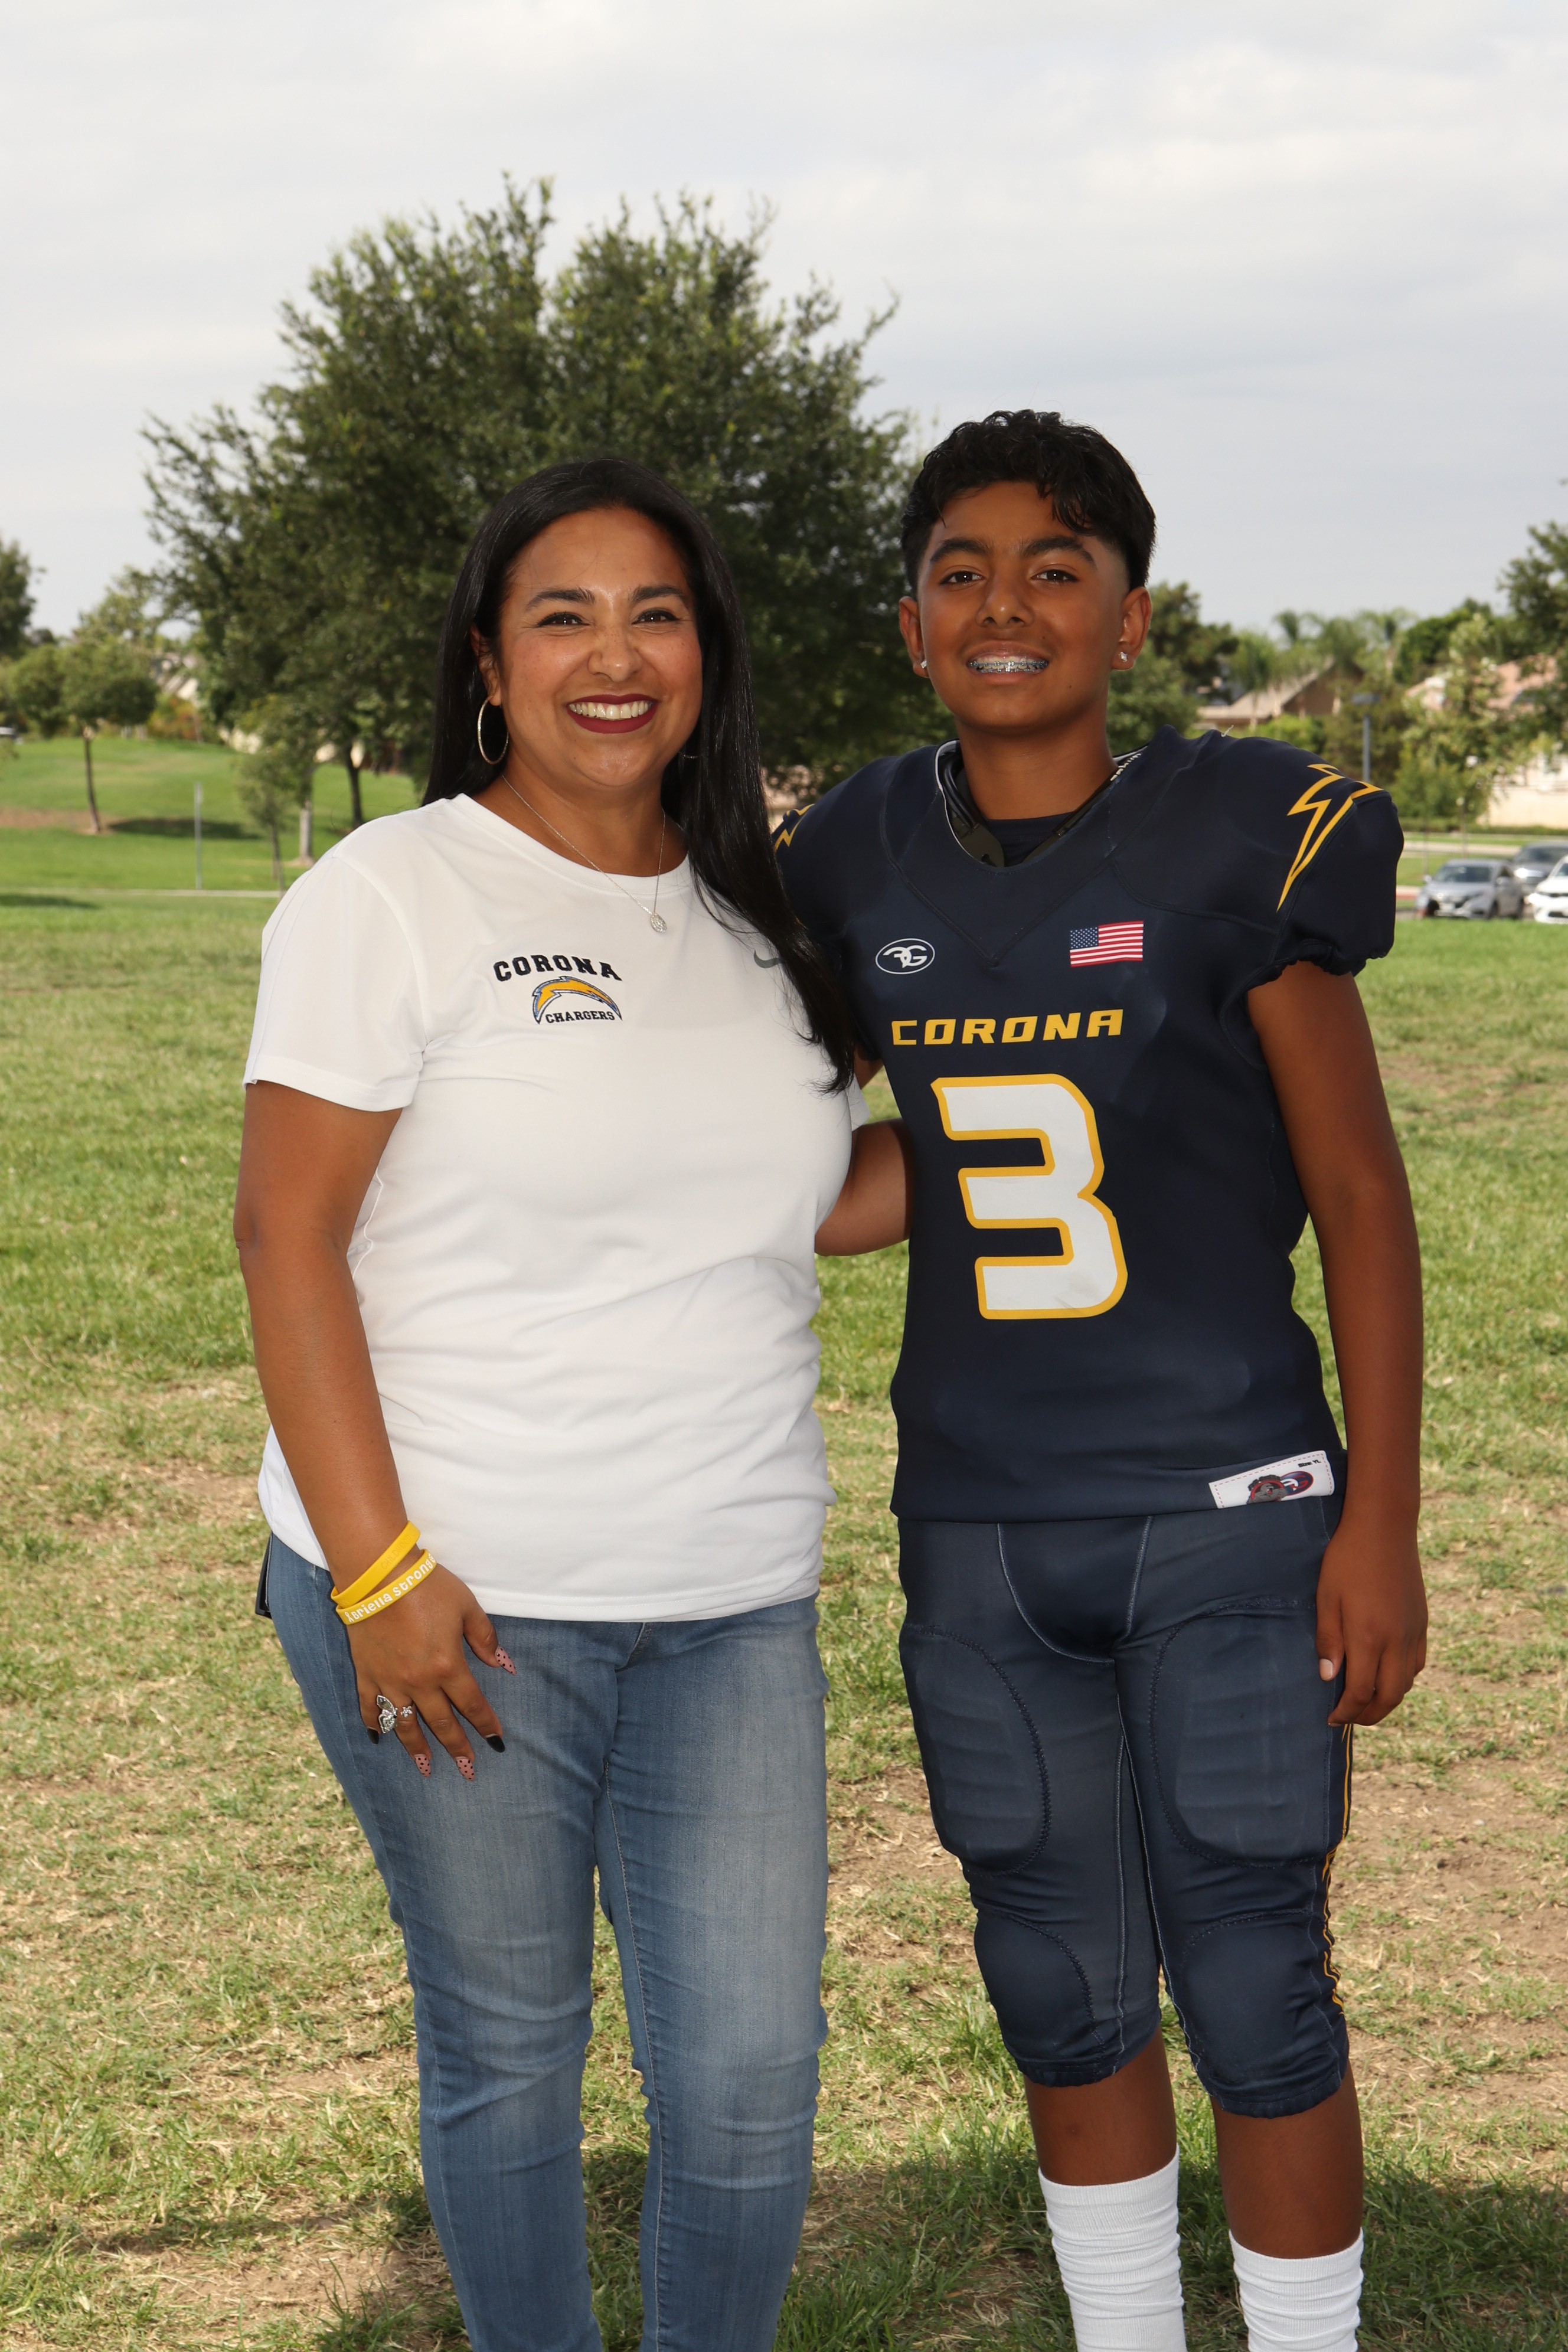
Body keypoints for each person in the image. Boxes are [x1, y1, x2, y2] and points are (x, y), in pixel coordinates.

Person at [234, 458, 909, 2352]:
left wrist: (1055, 1114)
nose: (615, 658)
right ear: (488, 661)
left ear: (709, 654)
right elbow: (287, 1236)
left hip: (731, 1597)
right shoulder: (394, 893)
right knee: (512, 2051)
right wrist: (378, 1574)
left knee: (753, 2077)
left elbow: (796, 1197)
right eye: (564, 616)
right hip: (456, 1595)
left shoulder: (761, 918)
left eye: (656, 615)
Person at [774, 411, 1427, 2352]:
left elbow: (1361, 1198)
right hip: (981, 1519)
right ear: (911, 623)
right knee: (1055, 1980)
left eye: (1056, 569)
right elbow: (862, 1165)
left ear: (1129, 619)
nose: (1008, 604)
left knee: (1253, 1979)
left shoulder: (1240, 834)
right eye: (961, 572)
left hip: (1231, 1507)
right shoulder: (858, 852)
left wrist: (1381, 1520)